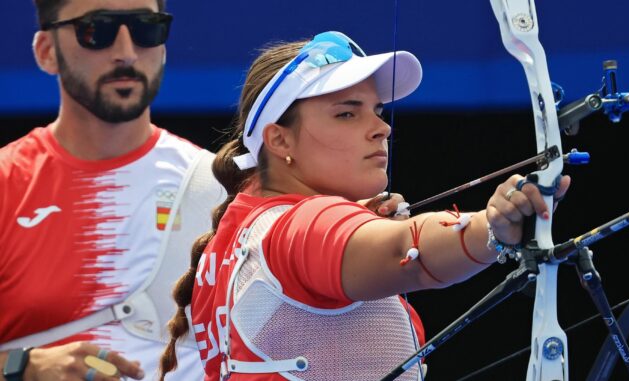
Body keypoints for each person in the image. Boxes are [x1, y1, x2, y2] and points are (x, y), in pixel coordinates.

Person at [158, 31, 571, 381]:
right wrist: (491, 228)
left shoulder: (242, 227)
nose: (382, 128)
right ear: (279, 140)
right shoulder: (299, 224)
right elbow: (403, 250)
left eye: (376, 110)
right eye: (346, 114)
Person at [0, 0, 229, 380]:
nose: (126, 52)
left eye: (146, 29)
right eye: (98, 30)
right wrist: (22, 367)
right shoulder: (6, 185)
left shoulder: (222, 188)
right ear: (46, 52)